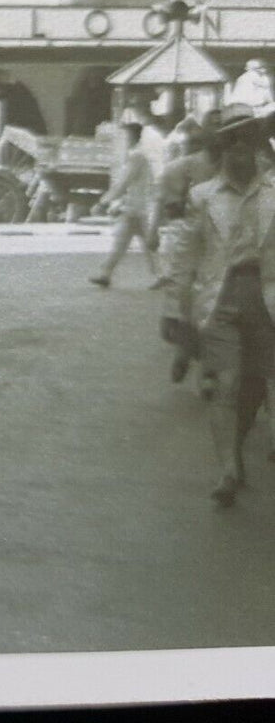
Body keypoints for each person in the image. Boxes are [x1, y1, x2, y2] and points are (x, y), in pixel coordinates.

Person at [163, 105, 275, 507]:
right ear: (222, 149)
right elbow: (184, 258)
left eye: (248, 142)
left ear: (259, 148)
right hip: (220, 299)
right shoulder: (202, 197)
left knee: (255, 389)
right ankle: (227, 469)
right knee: (225, 385)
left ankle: (237, 449)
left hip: (267, 302)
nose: (240, 151)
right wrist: (176, 313)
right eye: (231, 142)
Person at [157, 109, 222, 386]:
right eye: (215, 127)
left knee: (220, 306)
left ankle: (210, 369)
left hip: (228, 244)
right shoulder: (183, 168)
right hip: (191, 243)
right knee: (185, 305)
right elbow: (173, 212)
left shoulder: (246, 165)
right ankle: (185, 350)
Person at [89, 122, 162, 290]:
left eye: (124, 136)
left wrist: (104, 202)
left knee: (134, 242)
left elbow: (123, 183)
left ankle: (161, 274)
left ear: (132, 137)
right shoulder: (137, 155)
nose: (121, 140)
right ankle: (105, 274)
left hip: (138, 207)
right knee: (123, 242)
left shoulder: (137, 156)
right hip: (135, 207)